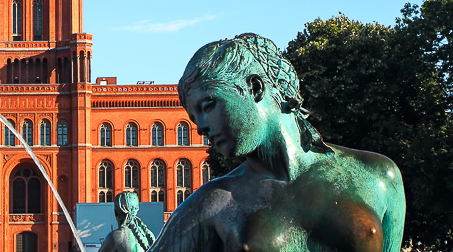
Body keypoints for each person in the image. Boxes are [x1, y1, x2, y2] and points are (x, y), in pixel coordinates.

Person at [150, 33, 405, 252]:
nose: (201, 127)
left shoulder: (379, 175)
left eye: (208, 106)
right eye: (194, 119)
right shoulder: (211, 205)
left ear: (255, 87)